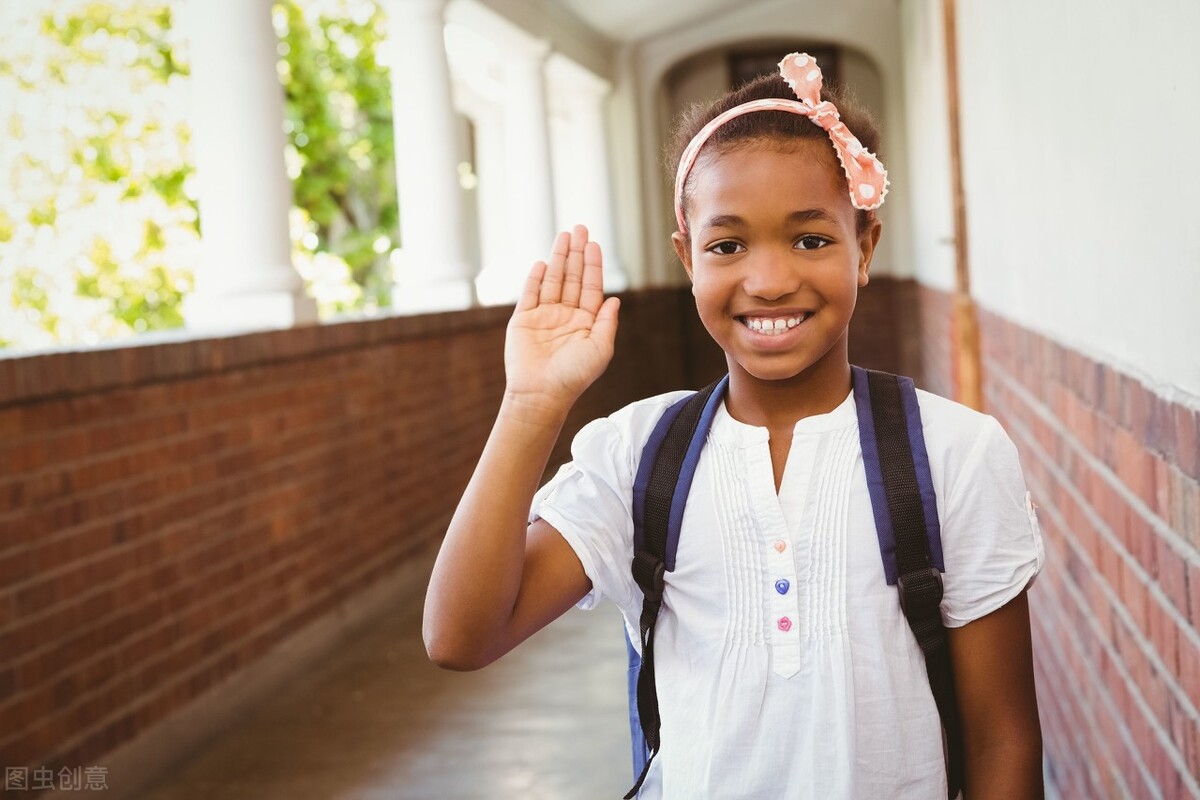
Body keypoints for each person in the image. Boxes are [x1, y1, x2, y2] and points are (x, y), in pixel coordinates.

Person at [423, 52, 1045, 799]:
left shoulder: (953, 453)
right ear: (688, 258)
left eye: (811, 238)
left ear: (865, 247)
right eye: (728, 245)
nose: (770, 278)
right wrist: (531, 406)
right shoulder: (637, 455)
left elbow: (1001, 738)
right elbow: (460, 636)